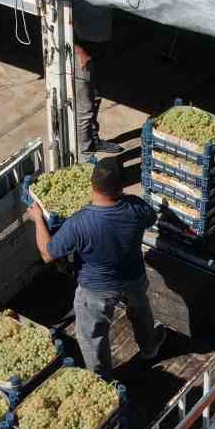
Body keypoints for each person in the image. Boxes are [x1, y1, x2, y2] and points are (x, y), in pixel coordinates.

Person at [29, 157, 160, 378]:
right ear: (123, 186)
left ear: (91, 185)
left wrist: (38, 220)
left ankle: (101, 377)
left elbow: (47, 254)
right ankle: (149, 349)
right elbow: (150, 218)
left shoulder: (79, 223)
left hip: (95, 290)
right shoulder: (136, 207)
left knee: (92, 335)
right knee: (141, 311)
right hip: (133, 277)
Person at [72, 1, 124, 155]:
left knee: (95, 97)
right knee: (85, 106)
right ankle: (86, 150)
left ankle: (93, 140)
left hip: (101, 45)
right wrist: (79, 50)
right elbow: (63, 18)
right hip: (82, 50)